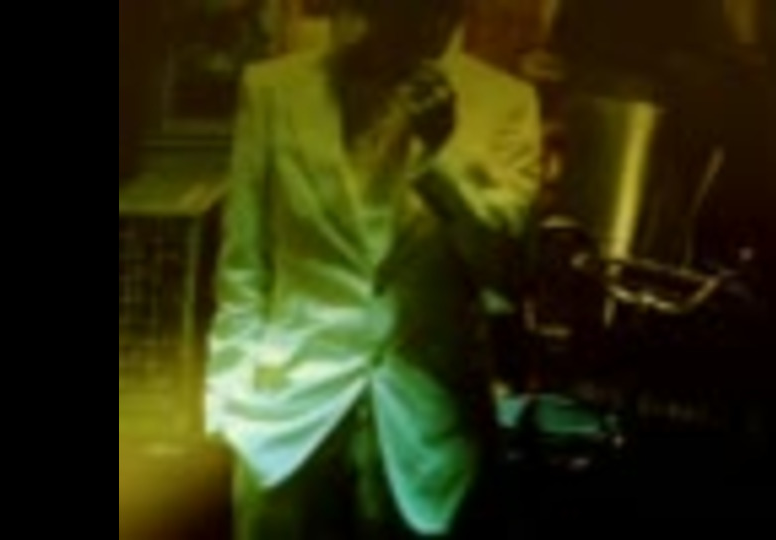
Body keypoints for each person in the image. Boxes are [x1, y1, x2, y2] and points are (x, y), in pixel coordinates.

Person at [204, 0, 542, 537]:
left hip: (430, 431)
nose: (434, 24)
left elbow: (505, 276)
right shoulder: (273, 90)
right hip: (285, 418)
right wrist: (227, 404)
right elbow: (245, 260)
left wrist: (444, 155)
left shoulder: (506, 103)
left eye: (448, 11)